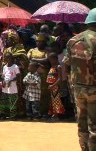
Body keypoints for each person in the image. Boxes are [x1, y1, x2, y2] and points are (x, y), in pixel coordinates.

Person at [63, 8, 96, 151]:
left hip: (78, 88)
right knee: (94, 125)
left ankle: (84, 148)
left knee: (82, 123)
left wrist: (71, 83)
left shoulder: (73, 40)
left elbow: (66, 64)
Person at [0, 52, 20, 120]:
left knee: (12, 101)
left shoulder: (15, 66)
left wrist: (11, 80)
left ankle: (13, 116)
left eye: (9, 57)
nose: (7, 59)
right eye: (6, 57)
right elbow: (3, 76)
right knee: (4, 101)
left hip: (13, 87)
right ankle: (4, 114)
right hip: (5, 87)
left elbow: (18, 77)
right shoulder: (4, 67)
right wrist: (3, 81)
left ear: (11, 58)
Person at [46, 53, 65, 121]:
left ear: (55, 59)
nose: (50, 61)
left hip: (55, 87)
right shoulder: (52, 67)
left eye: (51, 60)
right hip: (51, 87)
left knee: (56, 101)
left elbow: (60, 78)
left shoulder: (58, 67)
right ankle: (54, 114)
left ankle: (56, 116)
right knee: (52, 101)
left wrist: (52, 85)